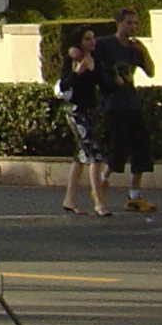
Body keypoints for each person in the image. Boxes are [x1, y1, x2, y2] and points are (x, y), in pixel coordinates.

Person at [91, 7, 157, 212]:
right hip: (113, 104)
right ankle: (102, 180)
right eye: (129, 23)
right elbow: (89, 58)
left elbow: (151, 72)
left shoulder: (133, 48)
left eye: (136, 23)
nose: (133, 27)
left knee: (141, 148)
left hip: (131, 102)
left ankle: (134, 195)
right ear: (119, 24)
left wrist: (143, 51)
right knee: (120, 148)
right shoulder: (105, 44)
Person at [53, 28, 108, 217]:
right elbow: (65, 84)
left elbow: (102, 83)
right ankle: (99, 203)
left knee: (80, 156)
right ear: (79, 42)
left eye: (93, 38)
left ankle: (70, 199)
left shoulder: (95, 59)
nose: (92, 42)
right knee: (94, 154)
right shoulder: (72, 60)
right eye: (87, 39)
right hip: (77, 111)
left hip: (90, 110)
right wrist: (78, 71)